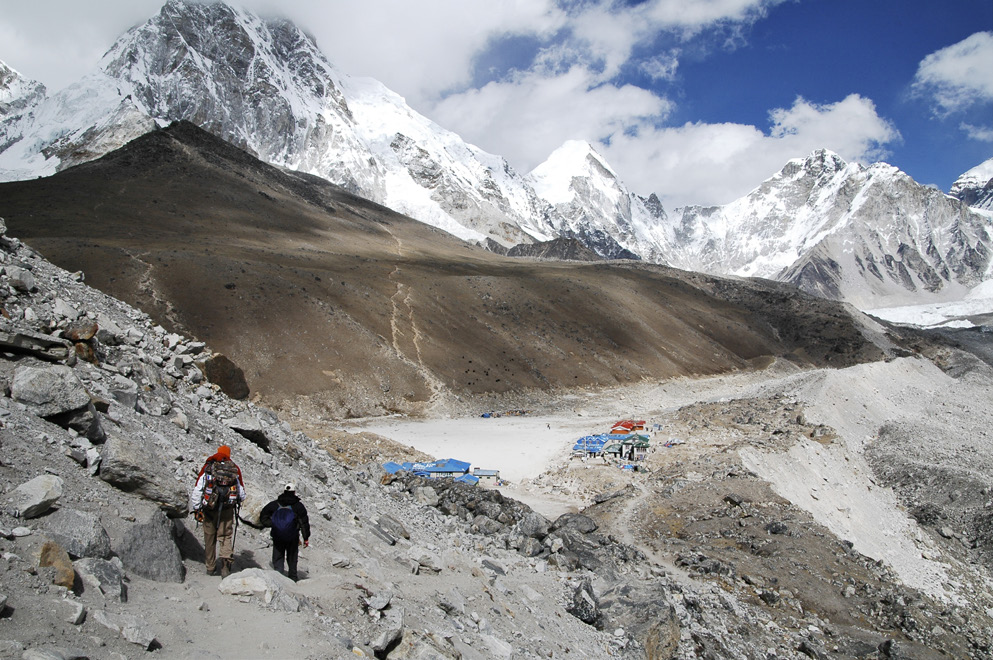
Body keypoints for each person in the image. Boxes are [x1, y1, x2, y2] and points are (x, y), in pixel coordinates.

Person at [190, 445, 246, 577]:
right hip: (227, 509)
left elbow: (198, 489)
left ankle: (210, 567)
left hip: (209, 508)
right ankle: (225, 566)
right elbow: (241, 493)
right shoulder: (233, 469)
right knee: (225, 536)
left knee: (209, 537)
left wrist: (197, 507)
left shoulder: (209, 467)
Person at [259, 483, 311, 582]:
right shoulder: (298, 506)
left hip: (277, 535)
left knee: (278, 555)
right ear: (294, 492)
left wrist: (274, 523)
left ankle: (278, 577)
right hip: (293, 536)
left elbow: (263, 517)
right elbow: (304, 523)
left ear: (284, 491)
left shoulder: (275, 504)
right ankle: (293, 578)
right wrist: (306, 538)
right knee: (292, 557)